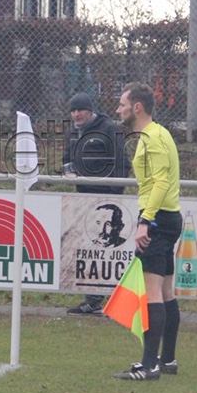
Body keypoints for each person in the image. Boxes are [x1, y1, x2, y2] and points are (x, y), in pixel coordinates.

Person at [113, 82, 182, 382]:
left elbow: (161, 182)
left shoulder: (151, 138)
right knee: (166, 291)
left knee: (152, 291)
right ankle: (167, 360)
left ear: (137, 107)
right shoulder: (160, 133)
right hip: (169, 218)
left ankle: (149, 365)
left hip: (159, 220)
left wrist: (146, 220)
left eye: (122, 104)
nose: (119, 110)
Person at [63, 91, 127, 314]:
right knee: (90, 250)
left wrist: (114, 194)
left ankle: (117, 300)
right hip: (83, 199)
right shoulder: (73, 132)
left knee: (108, 252)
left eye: (80, 109)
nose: (76, 114)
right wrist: (69, 173)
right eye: (73, 110)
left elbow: (122, 162)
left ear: (90, 110)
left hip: (107, 200)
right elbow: (67, 159)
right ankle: (93, 300)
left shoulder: (109, 129)